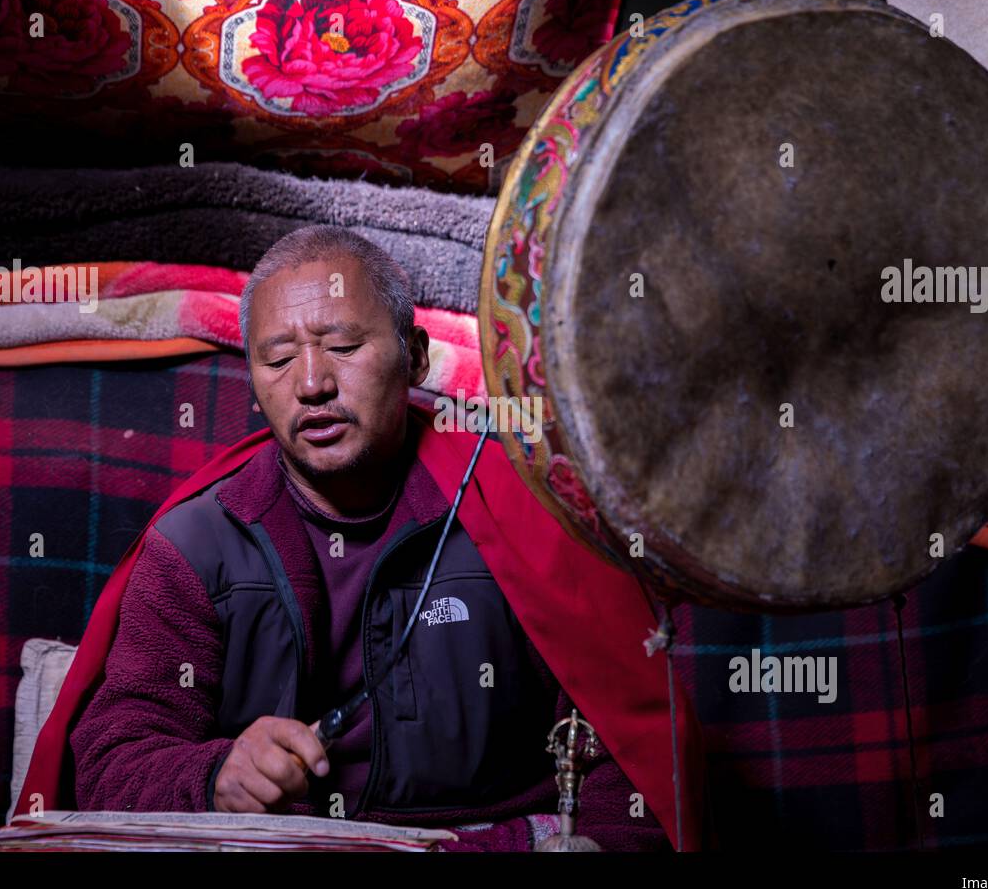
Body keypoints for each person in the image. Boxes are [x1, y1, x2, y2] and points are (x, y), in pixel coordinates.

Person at [67, 226, 690, 850]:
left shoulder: (520, 514)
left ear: (416, 355)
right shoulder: (197, 544)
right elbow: (110, 763)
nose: (311, 384)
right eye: (278, 359)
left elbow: (627, 757)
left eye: (342, 345)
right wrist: (213, 777)